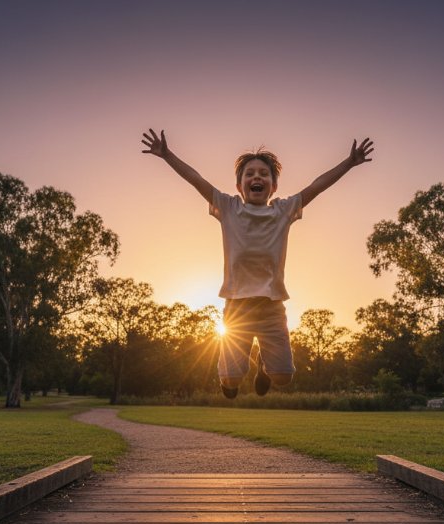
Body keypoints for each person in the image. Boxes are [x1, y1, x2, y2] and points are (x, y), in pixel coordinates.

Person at [141, 129, 374, 399]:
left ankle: (264, 365)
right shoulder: (228, 208)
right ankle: (233, 375)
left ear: (273, 186)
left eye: (264, 174)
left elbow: (316, 186)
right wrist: (168, 155)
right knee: (229, 383)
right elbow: (197, 180)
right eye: (249, 174)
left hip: (271, 308)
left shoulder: (283, 210)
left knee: (283, 378)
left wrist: (349, 163)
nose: (256, 177)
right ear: (240, 186)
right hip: (236, 308)